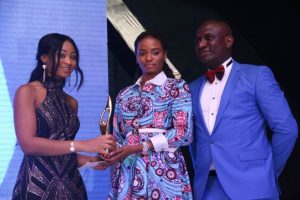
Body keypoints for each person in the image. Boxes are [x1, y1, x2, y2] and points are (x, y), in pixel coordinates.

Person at [189, 19, 298, 200]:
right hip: (207, 188)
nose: (201, 44)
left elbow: (287, 129)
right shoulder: (192, 87)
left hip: (253, 184)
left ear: (228, 41)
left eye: (208, 38)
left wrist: (268, 173)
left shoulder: (256, 75)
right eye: (198, 40)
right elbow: (193, 139)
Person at [12, 33, 116, 200]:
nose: (69, 62)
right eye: (62, 55)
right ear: (44, 58)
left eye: (73, 57)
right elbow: (28, 144)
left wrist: (93, 160)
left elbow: (64, 153)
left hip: (73, 188)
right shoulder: (27, 92)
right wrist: (84, 144)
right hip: (37, 189)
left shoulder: (71, 102)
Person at [106, 31, 193, 199]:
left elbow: (184, 133)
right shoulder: (124, 94)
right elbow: (118, 137)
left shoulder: (177, 87)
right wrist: (110, 153)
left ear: (164, 55)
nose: (148, 58)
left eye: (155, 52)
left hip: (164, 167)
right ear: (136, 57)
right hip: (129, 168)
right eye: (142, 53)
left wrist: (141, 147)